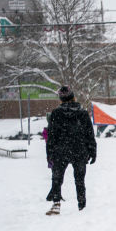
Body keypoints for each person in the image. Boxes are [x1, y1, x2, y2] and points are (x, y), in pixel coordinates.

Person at [45, 86, 96, 215]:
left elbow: (51, 136)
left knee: (57, 178)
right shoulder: (82, 113)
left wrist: (49, 153)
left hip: (60, 151)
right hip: (79, 150)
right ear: (73, 98)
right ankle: (82, 204)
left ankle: (56, 204)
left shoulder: (56, 114)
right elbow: (89, 134)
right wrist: (92, 150)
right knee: (79, 179)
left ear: (61, 99)